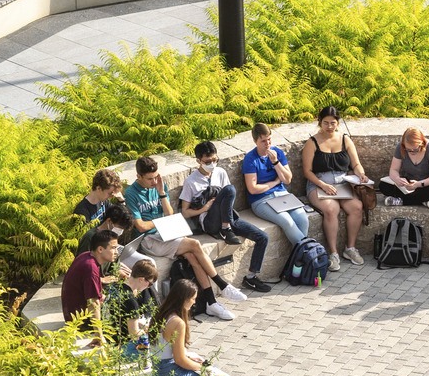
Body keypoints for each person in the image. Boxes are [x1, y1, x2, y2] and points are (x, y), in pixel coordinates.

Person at [121, 155, 246, 322]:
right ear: (138, 176)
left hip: (166, 232)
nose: (154, 181)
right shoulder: (131, 193)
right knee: (194, 244)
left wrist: (162, 193)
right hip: (149, 240)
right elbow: (141, 226)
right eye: (149, 179)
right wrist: (161, 222)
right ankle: (222, 285)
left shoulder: (158, 185)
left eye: (156, 176)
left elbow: (170, 214)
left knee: (192, 255)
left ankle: (211, 302)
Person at [181, 139, 272, 295]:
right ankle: (225, 229)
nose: (212, 164)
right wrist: (204, 208)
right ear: (199, 161)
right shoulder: (191, 181)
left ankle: (251, 276)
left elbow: (229, 198)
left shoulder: (220, 172)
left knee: (262, 237)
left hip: (227, 217)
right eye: (208, 161)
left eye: (215, 160)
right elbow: (185, 212)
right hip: (209, 221)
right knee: (229, 189)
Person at [302, 106, 372, 271]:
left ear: (338, 123)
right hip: (319, 183)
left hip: (342, 183)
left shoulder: (345, 139)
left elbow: (355, 163)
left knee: (357, 207)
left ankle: (350, 248)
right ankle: (333, 253)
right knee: (331, 209)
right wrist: (323, 185)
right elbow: (307, 171)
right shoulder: (312, 142)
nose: (329, 126)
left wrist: (361, 174)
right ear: (320, 123)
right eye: (325, 123)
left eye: (333, 123)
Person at [242, 123, 312, 252]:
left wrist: (275, 162)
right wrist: (274, 182)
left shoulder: (277, 153)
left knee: (302, 218)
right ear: (255, 141)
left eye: (269, 139)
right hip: (261, 200)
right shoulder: (250, 159)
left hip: (281, 195)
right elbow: (252, 189)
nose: (267, 143)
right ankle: (308, 253)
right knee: (287, 221)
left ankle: (299, 259)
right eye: (263, 141)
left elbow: (287, 179)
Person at [154, 278, 230, 376]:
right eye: (193, 299)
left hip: (158, 369)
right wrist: (203, 369)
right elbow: (179, 360)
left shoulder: (162, 312)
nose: (194, 302)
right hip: (170, 375)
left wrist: (190, 358)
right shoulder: (177, 323)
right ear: (184, 299)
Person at [61, 228, 121, 325]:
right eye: (113, 248)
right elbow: (93, 303)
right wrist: (99, 336)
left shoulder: (86, 256)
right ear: (100, 249)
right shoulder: (90, 268)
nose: (116, 252)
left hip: (74, 315)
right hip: (81, 322)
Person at [101, 257, 159, 358]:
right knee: (159, 345)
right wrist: (149, 330)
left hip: (108, 338)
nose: (149, 287)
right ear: (141, 279)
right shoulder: (131, 301)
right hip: (122, 347)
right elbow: (134, 334)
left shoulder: (115, 286)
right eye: (149, 284)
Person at [379, 126, 429, 209]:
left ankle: (402, 201)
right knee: (383, 185)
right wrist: (397, 179)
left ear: (421, 144)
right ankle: (423, 200)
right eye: (408, 150)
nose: (411, 152)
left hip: (425, 184)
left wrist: (419, 184)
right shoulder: (400, 147)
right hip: (407, 183)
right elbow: (393, 169)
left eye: (415, 149)